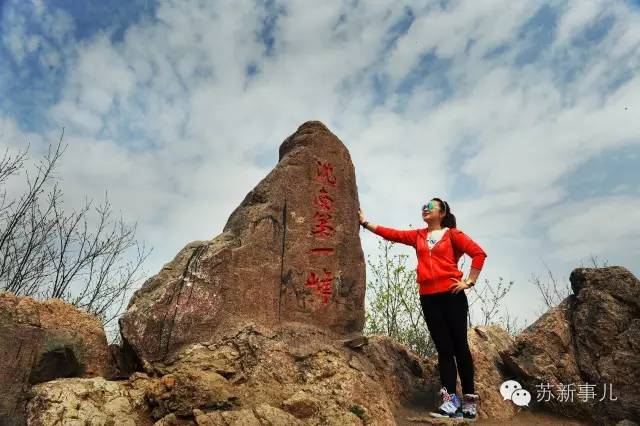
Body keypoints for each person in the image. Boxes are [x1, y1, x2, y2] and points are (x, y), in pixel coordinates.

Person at [358, 198, 486, 420]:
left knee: (460, 348)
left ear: (442, 212)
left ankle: (469, 402)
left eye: (430, 207)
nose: (425, 209)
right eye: (423, 208)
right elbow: (392, 234)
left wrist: (469, 281)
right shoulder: (418, 235)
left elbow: (479, 253)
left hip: (453, 295)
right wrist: (365, 223)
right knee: (444, 351)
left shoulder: (453, 235)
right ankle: (450, 403)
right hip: (428, 298)